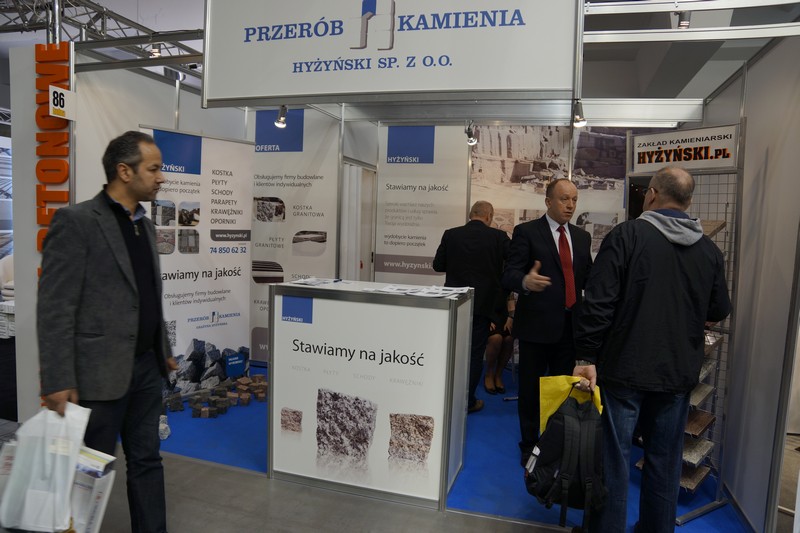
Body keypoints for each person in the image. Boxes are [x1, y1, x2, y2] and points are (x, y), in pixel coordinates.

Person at [572, 166, 731, 532]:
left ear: (653, 194)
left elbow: (599, 302)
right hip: (677, 373)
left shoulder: (627, 236)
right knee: (665, 462)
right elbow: (719, 309)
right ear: (688, 201)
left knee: (613, 460)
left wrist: (586, 356)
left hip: (624, 369)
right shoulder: (708, 250)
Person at [37, 131, 177, 533]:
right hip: (97, 374)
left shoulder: (144, 225)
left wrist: (163, 348)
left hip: (146, 368)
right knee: (88, 469)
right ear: (124, 171)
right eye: (153, 169)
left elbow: (148, 296)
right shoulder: (77, 221)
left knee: (147, 461)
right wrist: (58, 378)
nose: (161, 177)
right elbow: (55, 306)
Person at [502, 178, 592, 465]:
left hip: (570, 328)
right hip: (536, 329)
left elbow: (587, 278)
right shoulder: (527, 232)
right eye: (564, 199)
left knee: (563, 389)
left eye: (574, 199)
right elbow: (509, 273)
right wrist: (525, 282)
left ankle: (555, 442)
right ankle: (529, 444)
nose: (570, 205)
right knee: (530, 390)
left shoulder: (581, 237)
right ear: (548, 201)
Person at [433, 200, 510, 413]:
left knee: (452, 352)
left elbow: (437, 265)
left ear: (470, 214)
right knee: (475, 355)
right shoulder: (499, 237)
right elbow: (514, 265)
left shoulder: (451, 234)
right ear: (489, 216)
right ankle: (467, 402)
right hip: (482, 307)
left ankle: (444, 398)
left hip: (454, 304)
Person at [484, 291, 516, 395]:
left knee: (509, 339)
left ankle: (498, 374)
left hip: (504, 315)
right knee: (496, 338)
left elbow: (510, 299)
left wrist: (511, 317)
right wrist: (486, 318)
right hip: (486, 315)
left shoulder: (506, 281)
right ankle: (489, 374)